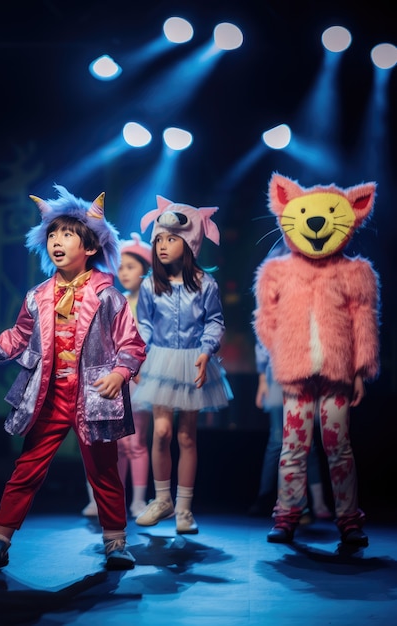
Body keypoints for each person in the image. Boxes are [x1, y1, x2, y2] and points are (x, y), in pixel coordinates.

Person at [0, 185, 146, 571]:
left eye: (68, 234)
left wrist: (120, 372)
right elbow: (19, 335)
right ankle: (0, 539)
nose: (57, 241)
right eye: (53, 235)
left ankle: (115, 541)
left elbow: (133, 342)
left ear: (90, 247)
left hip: (93, 394)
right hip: (48, 394)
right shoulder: (38, 295)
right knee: (27, 467)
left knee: (104, 471)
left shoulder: (108, 296)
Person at [254, 173, 380, 546]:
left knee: (337, 443)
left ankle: (349, 520)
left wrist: (360, 370)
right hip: (295, 373)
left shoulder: (355, 272)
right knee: (293, 444)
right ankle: (287, 515)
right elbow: (266, 320)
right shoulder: (278, 271)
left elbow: (363, 322)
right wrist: (281, 355)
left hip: (337, 373)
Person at [132, 195, 233, 534]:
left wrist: (207, 349)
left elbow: (214, 321)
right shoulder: (149, 285)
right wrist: (140, 354)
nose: (162, 245)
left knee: (187, 436)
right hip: (161, 360)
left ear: (189, 245)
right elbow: (143, 324)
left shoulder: (206, 284)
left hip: (192, 361)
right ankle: (162, 499)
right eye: (159, 239)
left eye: (171, 239)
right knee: (161, 431)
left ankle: (185, 509)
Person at [81, 232, 152, 519]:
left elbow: (149, 341)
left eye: (131, 267)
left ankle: (138, 500)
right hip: (108, 378)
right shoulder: (110, 299)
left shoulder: (148, 304)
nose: (124, 272)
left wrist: (137, 369)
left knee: (136, 443)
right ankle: (107, 499)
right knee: (109, 442)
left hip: (139, 379)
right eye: (120, 267)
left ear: (145, 272)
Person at [250, 340, 332, 521]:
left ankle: (315, 502)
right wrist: (263, 380)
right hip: (278, 374)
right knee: (278, 440)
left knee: (306, 441)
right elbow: (263, 340)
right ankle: (271, 499)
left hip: (305, 373)